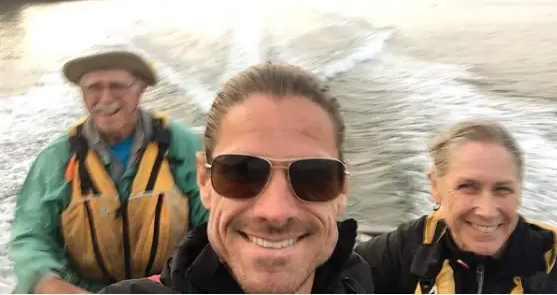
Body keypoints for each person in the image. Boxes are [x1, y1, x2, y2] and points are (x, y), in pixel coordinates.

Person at [100, 62, 374, 294]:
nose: (276, 212)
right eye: (241, 172)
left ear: (342, 188)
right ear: (204, 182)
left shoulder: (358, 279)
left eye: (314, 176)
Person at [10, 49, 209, 294]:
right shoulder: (56, 158)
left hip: (166, 286)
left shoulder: (185, 147)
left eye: (117, 86)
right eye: (94, 87)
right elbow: (30, 236)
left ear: (141, 88)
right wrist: (49, 283)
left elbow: (213, 226)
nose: (105, 98)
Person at [355, 119, 557, 293]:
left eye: (502, 189)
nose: (487, 211)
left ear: (519, 192)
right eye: (467, 187)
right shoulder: (410, 247)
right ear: (435, 186)